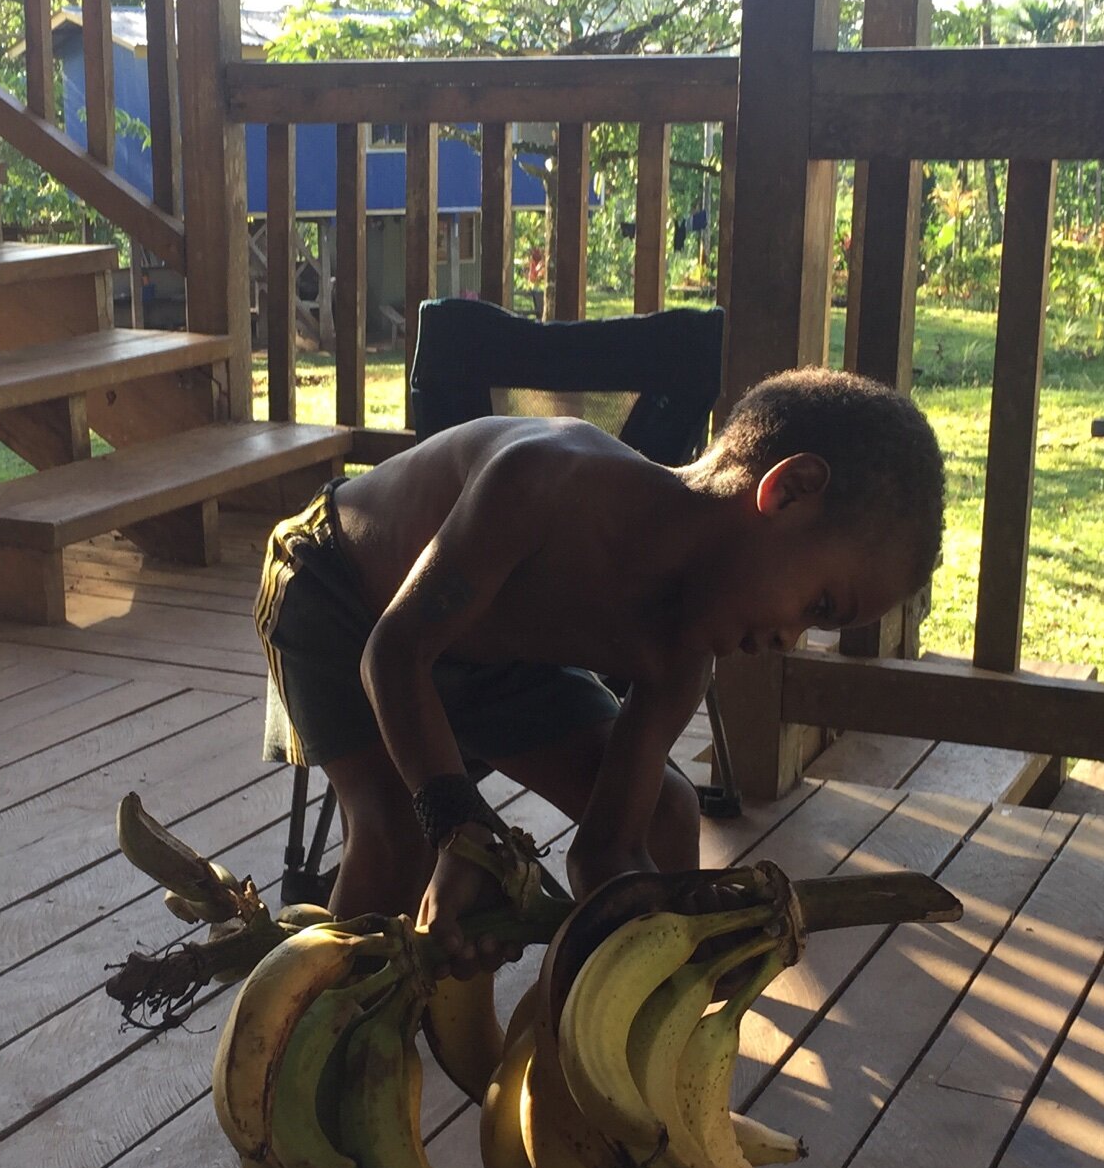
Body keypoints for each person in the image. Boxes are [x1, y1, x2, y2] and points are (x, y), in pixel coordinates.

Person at [256, 366, 944, 970]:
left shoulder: (681, 660)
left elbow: (604, 854)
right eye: (819, 605)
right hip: (341, 596)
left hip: (486, 660)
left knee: (667, 810)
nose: (792, 638)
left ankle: (624, 1042)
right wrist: (463, 830)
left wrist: (681, 937)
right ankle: (308, 1044)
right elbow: (394, 654)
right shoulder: (548, 480)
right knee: (398, 837)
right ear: (788, 490)